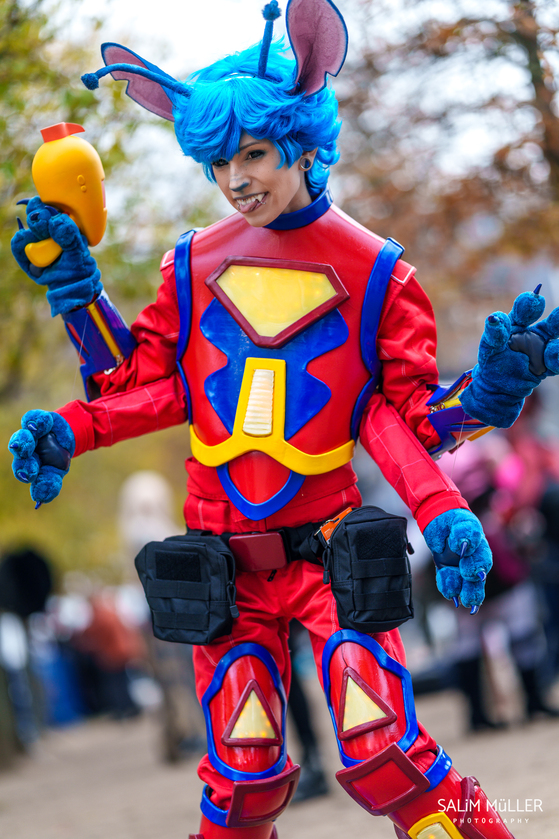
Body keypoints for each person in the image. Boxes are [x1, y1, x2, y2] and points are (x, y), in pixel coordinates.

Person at [9, 1, 559, 836]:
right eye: (220, 161)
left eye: (255, 153)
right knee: (240, 780)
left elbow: (402, 419)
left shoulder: (376, 273)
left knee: (387, 756)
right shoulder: (192, 267)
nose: (237, 179)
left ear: (303, 142)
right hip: (220, 565)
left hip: (329, 554)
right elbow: (141, 384)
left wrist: (484, 398)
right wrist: (79, 306)